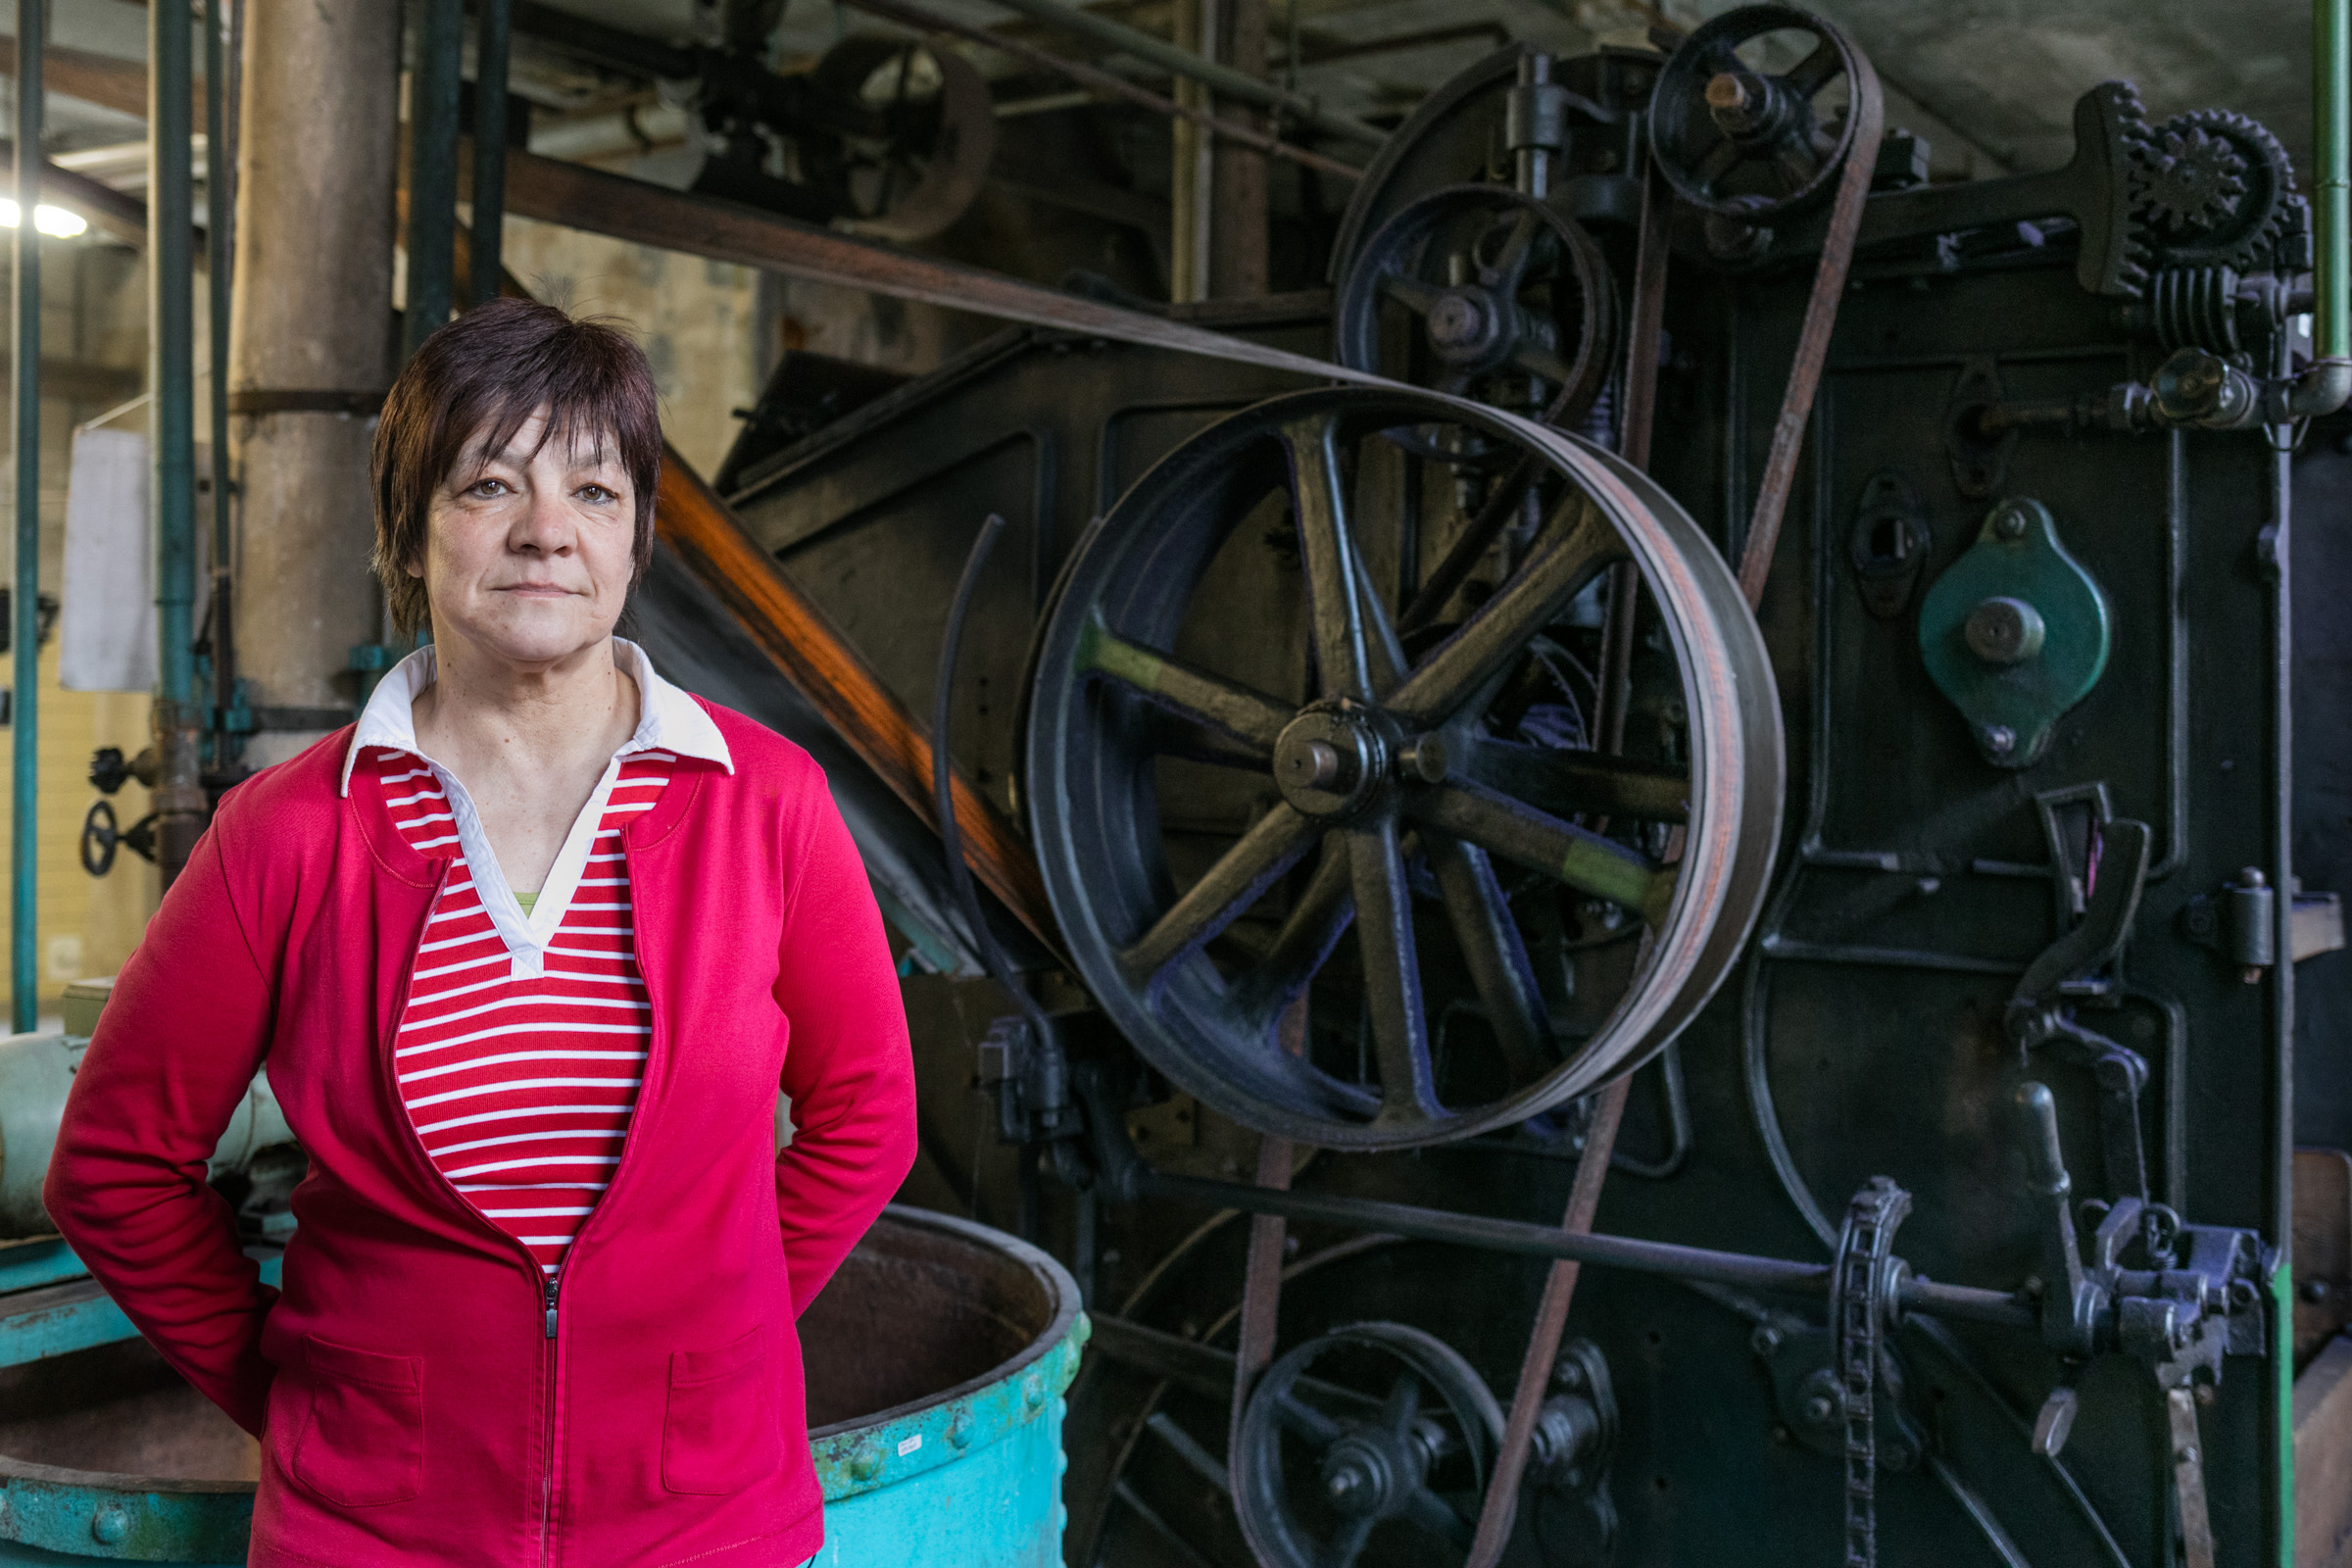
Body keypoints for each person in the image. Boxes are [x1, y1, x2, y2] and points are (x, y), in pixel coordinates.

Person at [44, 297, 916, 1568]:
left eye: (595, 492)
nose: (546, 531)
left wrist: (715, 1347)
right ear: (409, 530)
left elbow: (869, 1112)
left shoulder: (765, 805)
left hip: (703, 1521)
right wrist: (310, 1396)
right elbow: (114, 1166)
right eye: (488, 483)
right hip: (374, 1533)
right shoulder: (286, 837)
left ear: (638, 540)